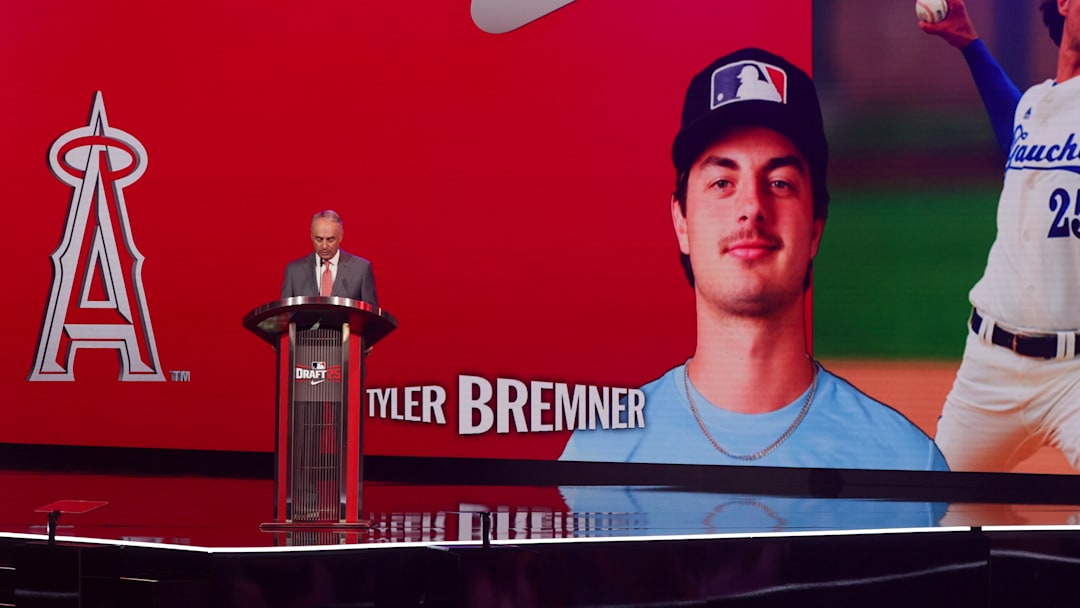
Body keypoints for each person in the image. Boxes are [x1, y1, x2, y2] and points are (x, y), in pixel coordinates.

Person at [559, 48, 948, 470]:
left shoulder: (907, 464)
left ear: (816, 226)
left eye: (780, 183)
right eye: (723, 181)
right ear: (682, 221)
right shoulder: (598, 456)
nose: (752, 207)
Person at [921, 0, 1080, 472]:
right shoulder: (1035, 103)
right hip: (990, 368)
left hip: (1074, 375)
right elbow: (1017, 130)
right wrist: (970, 44)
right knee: (939, 512)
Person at [281, 210, 378, 306]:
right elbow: (283, 315)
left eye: (330, 240)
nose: (324, 246)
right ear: (311, 236)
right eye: (319, 239)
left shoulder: (360, 270)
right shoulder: (294, 271)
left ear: (340, 236)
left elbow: (371, 317)